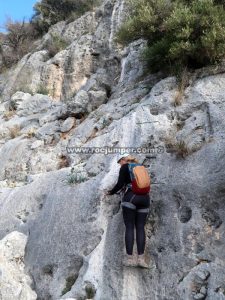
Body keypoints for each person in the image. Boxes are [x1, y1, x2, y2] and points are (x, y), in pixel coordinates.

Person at [106, 153, 150, 268]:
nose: (119, 164)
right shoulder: (140, 167)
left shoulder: (125, 167)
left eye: (119, 161)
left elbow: (120, 184)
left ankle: (130, 259)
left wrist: (110, 192)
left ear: (123, 159)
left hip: (131, 197)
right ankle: (141, 259)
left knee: (130, 226)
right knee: (140, 227)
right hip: (145, 198)